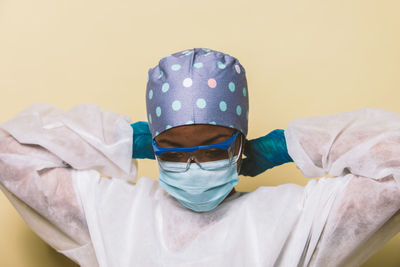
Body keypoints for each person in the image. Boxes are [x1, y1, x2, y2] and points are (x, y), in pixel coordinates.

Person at [1, 48, 400, 266]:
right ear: (154, 147)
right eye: (174, 151)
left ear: (241, 145)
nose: (193, 166)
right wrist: (123, 140)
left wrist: (286, 146)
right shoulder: (113, 213)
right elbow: (7, 150)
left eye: (211, 147)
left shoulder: (297, 218)